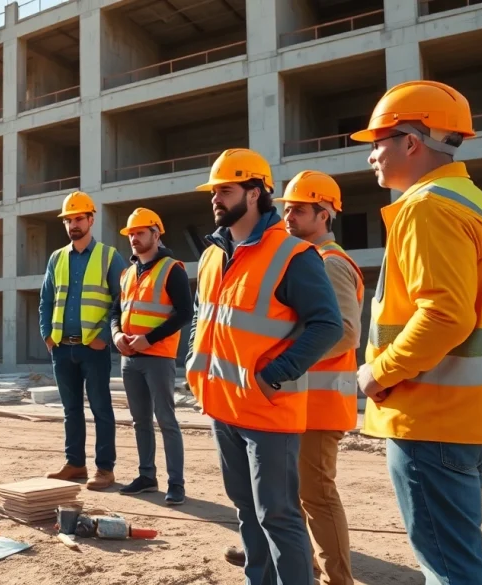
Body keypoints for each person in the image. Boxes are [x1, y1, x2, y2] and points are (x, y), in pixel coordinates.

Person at [349, 80, 482, 585]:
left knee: (449, 569)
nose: (372, 156)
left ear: (411, 141)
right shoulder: (470, 200)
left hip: (431, 416)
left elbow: (445, 315)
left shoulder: (429, 207)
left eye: (378, 142)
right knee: (457, 561)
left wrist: (377, 373)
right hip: (461, 416)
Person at [185, 148, 343, 585]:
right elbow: (203, 314)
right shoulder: (214, 254)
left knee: (278, 515)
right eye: (214, 191)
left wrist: (272, 375)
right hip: (222, 407)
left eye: (226, 190)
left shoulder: (293, 254)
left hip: (268, 413)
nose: (216, 198)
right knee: (245, 512)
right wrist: (194, 366)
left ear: (255, 193)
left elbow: (328, 325)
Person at [224, 171, 364, 584]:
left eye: (300, 210)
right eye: (287, 209)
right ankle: (303, 565)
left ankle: (337, 578)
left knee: (316, 496)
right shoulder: (299, 257)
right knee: (290, 497)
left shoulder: (331, 262)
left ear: (325, 214)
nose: (289, 217)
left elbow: (343, 331)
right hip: (296, 399)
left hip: (319, 402)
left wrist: (285, 360)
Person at [39, 190, 124, 491]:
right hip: (63, 348)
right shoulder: (56, 258)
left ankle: (104, 469)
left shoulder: (109, 256)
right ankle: (75, 463)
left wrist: (104, 337)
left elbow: (122, 300)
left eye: (78, 218)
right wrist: (47, 335)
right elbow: (46, 299)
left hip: (93, 349)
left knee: (101, 408)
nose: (73, 224)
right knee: (70, 410)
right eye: (69, 220)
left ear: (91, 219)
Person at [108, 207, 193, 505]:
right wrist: (117, 334)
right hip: (129, 358)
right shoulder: (127, 273)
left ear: (156, 234)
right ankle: (147, 476)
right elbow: (116, 312)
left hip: (158, 357)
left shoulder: (173, 269)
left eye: (139, 232)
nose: (133, 238)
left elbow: (185, 313)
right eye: (130, 233)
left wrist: (149, 339)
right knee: (139, 420)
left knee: (166, 419)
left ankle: (176, 484)